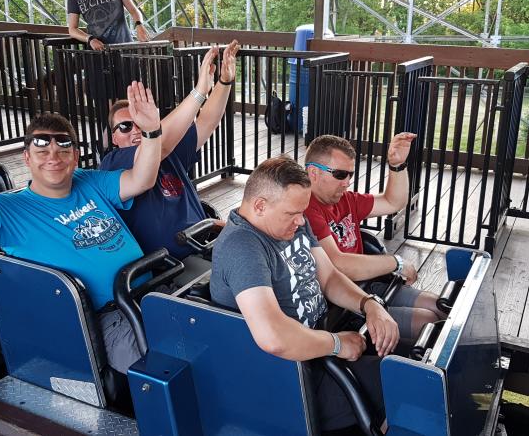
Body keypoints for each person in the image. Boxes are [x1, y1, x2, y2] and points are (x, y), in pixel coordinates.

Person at [0, 73, 162, 375]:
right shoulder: (11, 211)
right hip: (110, 319)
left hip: (151, 293)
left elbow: (142, 179)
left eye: (63, 150)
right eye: (42, 151)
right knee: (173, 368)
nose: (53, 158)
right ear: (26, 158)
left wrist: (151, 131)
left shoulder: (89, 181)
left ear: (76, 156)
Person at [210, 156, 398, 432]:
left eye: (302, 211)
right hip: (293, 376)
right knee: (401, 383)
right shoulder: (242, 247)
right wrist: (337, 344)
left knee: (405, 357)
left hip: (324, 341)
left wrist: (370, 305)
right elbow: (273, 337)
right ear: (260, 206)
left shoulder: (295, 221)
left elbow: (329, 277)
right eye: (292, 213)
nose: (301, 220)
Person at [99, 41, 239, 261]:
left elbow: (206, 122)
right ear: (114, 138)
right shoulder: (112, 164)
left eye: (140, 123)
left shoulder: (170, 152)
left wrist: (225, 81)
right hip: (170, 264)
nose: (136, 130)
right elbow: (157, 145)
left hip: (205, 242)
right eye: (125, 126)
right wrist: (199, 92)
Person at [303, 134, 445, 339]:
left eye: (350, 174)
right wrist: (396, 263)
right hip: (342, 304)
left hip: (368, 284)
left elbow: (393, 202)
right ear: (313, 172)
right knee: (428, 322)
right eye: (340, 174)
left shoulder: (344, 200)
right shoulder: (307, 209)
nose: (347, 182)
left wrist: (397, 165)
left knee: (439, 306)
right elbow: (338, 264)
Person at [67, 0, 148, 50]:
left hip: (124, 45)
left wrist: (139, 25)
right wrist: (90, 39)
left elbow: (133, 10)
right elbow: (72, 29)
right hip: (98, 49)